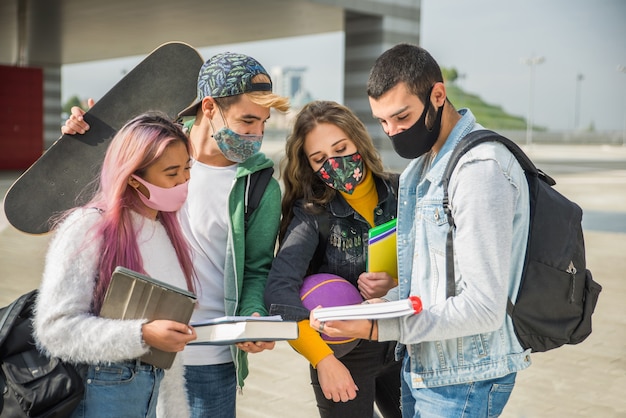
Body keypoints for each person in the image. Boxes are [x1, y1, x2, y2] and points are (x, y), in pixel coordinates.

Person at [61, 51, 290, 418]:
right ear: (210, 107)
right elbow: (97, 199)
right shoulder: (152, 154)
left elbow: (258, 269)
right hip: (133, 354)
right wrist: (81, 141)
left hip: (211, 356)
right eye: (248, 120)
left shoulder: (260, 186)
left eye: (263, 123)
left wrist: (252, 313)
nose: (257, 134)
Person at [310, 43, 533, 418]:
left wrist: (378, 329)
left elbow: (483, 307)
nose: (393, 131)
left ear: (438, 95)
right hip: (422, 366)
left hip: (465, 377)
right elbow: (425, 281)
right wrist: (381, 306)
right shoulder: (419, 171)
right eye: (382, 122)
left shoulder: (479, 170)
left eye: (402, 117)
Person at [34, 113, 198, 418]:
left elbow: (169, 361)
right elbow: (54, 329)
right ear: (134, 177)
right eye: (172, 173)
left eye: (187, 168)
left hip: (151, 395)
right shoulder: (86, 227)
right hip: (98, 395)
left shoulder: (165, 230)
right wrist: (143, 334)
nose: (184, 181)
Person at [265, 100, 402, 418]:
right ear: (309, 166)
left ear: (358, 140)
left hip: (404, 344)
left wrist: (395, 283)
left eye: (341, 148)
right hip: (343, 355)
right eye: (319, 158)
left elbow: (440, 271)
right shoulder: (311, 214)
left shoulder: (405, 192)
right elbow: (279, 291)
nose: (334, 162)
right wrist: (323, 359)